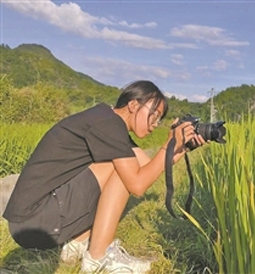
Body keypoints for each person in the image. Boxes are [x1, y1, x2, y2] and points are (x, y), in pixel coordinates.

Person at [3, 80, 205, 273]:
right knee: (122, 170)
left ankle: (78, 244)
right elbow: (137, 184)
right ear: (133, 104)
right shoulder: (108, 124)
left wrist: (181, 147)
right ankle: (98, 258)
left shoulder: (107, 121)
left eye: (159, 119)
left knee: (126, 165)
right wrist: (168, 144)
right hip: (35, 220)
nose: (155, 124)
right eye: (154, 115)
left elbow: (148, 166)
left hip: (32, 220)